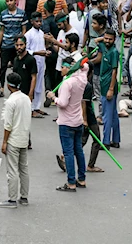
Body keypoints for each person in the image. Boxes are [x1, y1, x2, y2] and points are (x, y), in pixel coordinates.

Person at [46, 57, 88, 192]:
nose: (61, 69)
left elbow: (62, 103)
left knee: (68, 152)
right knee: (78, 151)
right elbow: (85, 67)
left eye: (63, 67)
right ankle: (81, 179)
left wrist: (53, 97)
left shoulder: (67, 84)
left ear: (70, 68)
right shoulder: (82, 79)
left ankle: (71, 182)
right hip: (77, 120)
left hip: (66, 122)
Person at [0, 72, 31, 208]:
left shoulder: (11, 101)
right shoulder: (26, 98)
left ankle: (12, 199)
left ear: (8, 85)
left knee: (12, 170)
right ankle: (24, 197)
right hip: (24, 137)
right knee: (24, 168)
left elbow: (8, 125)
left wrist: (4, 142)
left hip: (13, 139)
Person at [0, 0, 28, 89]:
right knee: (3, 67)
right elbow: (1, 31)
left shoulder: (21, 13)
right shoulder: (3, 14)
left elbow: (24, 29)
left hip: (17, 45)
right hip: (6, 44)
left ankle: (16, 86)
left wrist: (22, 42)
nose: (9, 3)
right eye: (7, 1)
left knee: (17, 67)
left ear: (15, 1)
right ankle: (1, 87)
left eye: (11, 0)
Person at [95, 30, 120, 148]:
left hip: (108, 86)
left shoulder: (114, 52)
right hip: (104, 83)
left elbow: (115, 71)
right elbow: (95, 40)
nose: (107, 41)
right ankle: (115, 140)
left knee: (106, 115)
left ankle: (105, 142)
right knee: (113, 114)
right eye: (106, 38)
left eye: (110, 39)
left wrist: (110, 89)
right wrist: (103, 38)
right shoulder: (104, 47)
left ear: (114, 40)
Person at [25, 13, 50, 116]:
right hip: (33, 62)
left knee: (39, 85)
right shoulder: (28, 34)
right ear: (32, 21)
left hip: (41, 62)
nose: (39, 23)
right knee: (33, 85)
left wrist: (46, 51)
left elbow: (43, 47)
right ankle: (30, 108)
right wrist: (37, 53)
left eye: (40, 21)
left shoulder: (41, 33)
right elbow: (26, 50)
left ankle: (37, 107)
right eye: (37, 21)